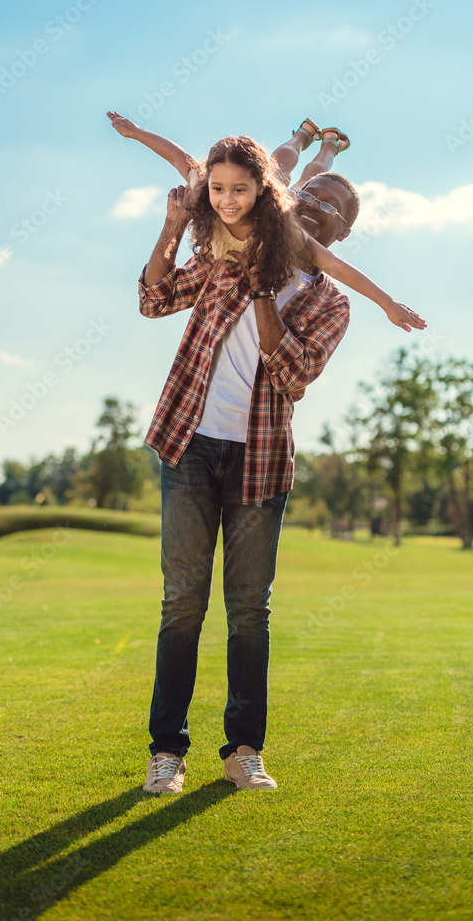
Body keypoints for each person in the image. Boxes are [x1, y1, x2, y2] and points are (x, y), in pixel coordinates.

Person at [138, 134, 356, 793]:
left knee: (248, 612)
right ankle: (167, 753)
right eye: (307, 195)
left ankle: (243, 751)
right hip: (190, 445)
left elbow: (289, 376)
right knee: (181, 604)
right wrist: (172, 227)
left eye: (327, 209)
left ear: (336, 236)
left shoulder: (330, 302)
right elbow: (152, 300)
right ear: (282, 197)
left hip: (258, 461)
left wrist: (266, 294)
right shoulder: (225, 257)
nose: (311, 208)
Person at [107, 111, 427, 333]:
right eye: (220, 190)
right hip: (266, 200)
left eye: (238, 191)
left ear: (258, 190)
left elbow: (335, 265)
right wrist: (135, 133)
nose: (228, 201)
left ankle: (327, 144)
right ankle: (304, 135)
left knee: (300, 175)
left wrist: (387, 303)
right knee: (290, 172)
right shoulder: (209, 190)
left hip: (276, 209)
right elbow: (179, 157)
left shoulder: (276, 218)